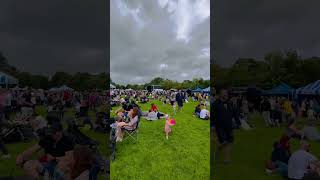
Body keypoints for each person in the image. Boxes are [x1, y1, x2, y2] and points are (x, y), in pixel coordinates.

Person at [213, 89, 236, 164]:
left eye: (226, 93)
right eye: (224, 93)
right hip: (220, 126)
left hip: (229, 126)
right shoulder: (215, 104)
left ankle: (226, 158)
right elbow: (213, 115)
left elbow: (233, 113)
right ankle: (222, 155)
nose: (225, 95)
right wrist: (212, 125)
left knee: (229, 142)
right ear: (220, 94)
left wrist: (236, 122)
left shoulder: (229, 103)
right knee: (225, 141)